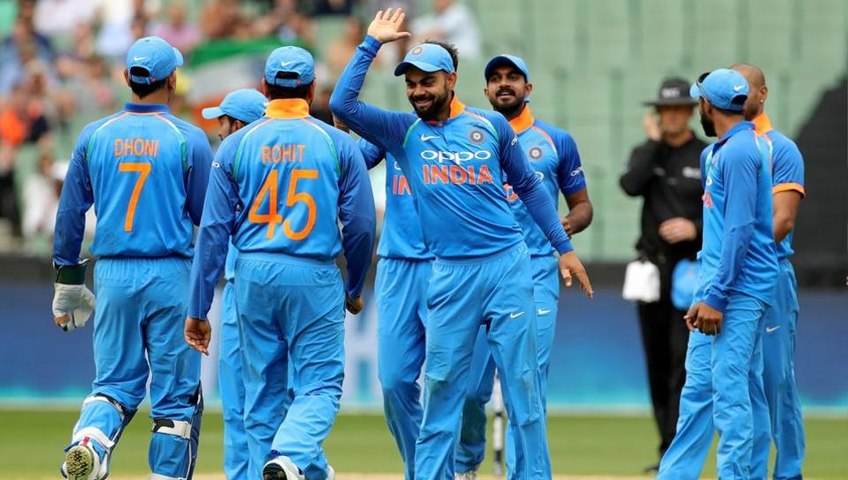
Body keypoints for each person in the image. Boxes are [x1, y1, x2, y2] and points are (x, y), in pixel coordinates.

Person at [330, 9, 592, 480]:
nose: (417, 91)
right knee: (441, 390)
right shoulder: (403, 132)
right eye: (411, 84)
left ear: (451, 80)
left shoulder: (491, 126)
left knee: (524, 391)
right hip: (450, 274)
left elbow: (530, 188)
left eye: (427, 82)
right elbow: (343, 104)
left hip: (508, 267)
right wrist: (370, 44)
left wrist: (563, 247)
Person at [184, 46, 376, 480]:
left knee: (261, 394)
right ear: (311, 89)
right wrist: (353, 286)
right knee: (319, 384)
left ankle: (269, 467)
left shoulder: (236, 145)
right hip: (313, 272)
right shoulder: (336, 143)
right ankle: (289, 455)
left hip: (252, 273)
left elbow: (213, 232)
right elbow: (361, 224)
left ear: (265, 88)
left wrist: (198, 308)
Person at [51, 36, 211, 480]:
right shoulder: (189, 139)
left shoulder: (94, 135)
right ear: (172, 79)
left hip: (114, 274)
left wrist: (67, 279)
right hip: (171, 273)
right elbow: (207, 219)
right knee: (176, 399)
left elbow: (70, 213)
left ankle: (89, 442)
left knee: (113, 386)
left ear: (126, 78)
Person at [657, 64, 807, 480]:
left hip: (740, 287)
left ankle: (752, 474)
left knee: (742, 388)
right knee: (701, 388)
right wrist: (707, 290)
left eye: (698, 102)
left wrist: (718, 294)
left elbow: (742, 230)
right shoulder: (719, 152)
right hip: (717, 284)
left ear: (707, 105)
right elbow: (723, 230)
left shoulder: (745, 151)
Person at [455, 54, 593, 478]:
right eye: (495, 78)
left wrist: (566, 226)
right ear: (484, 91)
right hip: (480, 270)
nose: (504, 83)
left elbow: (583, 205)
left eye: (513, 77)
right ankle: (465, 463)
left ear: (528, 88)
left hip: (535, 270)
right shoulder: (466, 139)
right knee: (467, 388)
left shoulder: (555, 141)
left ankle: (525, 474)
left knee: (526, 384)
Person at [618, 77, 707, 471]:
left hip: (690, 268)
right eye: (664, 109)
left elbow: (722, 211)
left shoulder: (704, 155)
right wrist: (654, 145)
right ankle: (664, 448)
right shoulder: (647, 152)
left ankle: (676, 451)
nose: (670, 115)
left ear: (689, 111)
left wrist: (694, 228)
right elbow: (629, 185)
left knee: (681, 362)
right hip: (651, 269)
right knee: (655, 361)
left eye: (677, 109)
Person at [734, 63, 806, 480]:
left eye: (744, 89)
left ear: (762, 94)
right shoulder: (723, 150)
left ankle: (789, 472)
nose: (737, 97)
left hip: (768, 272)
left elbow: (782, 220)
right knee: (740, 382)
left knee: (777, 380)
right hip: (731, 277)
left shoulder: (782, 148)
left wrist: (737, 257)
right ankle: (750, 471)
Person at [199, 88, 268, 480]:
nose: (219, 129)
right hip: (277, 285)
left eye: (223, 122)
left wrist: (198, 306)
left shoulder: (229, 164)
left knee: (244, 400)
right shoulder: (282, 163)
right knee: (260, 399)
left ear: (238, 124)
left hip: (245, 286)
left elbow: (211, 235)